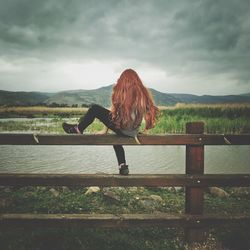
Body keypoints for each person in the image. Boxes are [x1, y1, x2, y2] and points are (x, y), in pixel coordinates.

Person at [62, 69, 159, 175]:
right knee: (116, 140)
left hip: (122, 129)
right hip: (132, 132)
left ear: (123, 80)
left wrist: (105, 129)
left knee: (95, 109)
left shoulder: (122, 93)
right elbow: (150, 113)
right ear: (137, 80)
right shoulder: (143, 95)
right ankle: (123, 166)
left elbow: (113, 115)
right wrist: (145, 129)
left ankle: (78, 129)